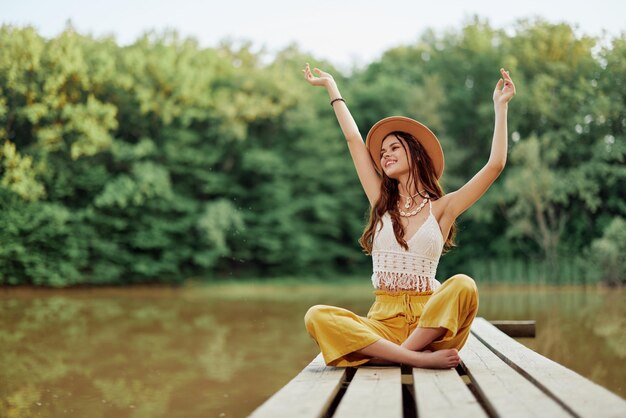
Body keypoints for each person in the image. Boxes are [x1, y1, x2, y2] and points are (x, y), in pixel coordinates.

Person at [301, 62, 516, 369]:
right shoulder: (382, 203)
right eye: (382, 152)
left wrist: (501, 107)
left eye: (393, 148)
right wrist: (332, 87)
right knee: (317, 316)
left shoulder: (443, 208)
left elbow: (495, 165)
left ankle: (387, 354)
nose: (384, 155)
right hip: (382, 323)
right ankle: (411, 358)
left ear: (414, 154)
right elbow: (353, 140)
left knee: (464, 285)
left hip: (430, 326)